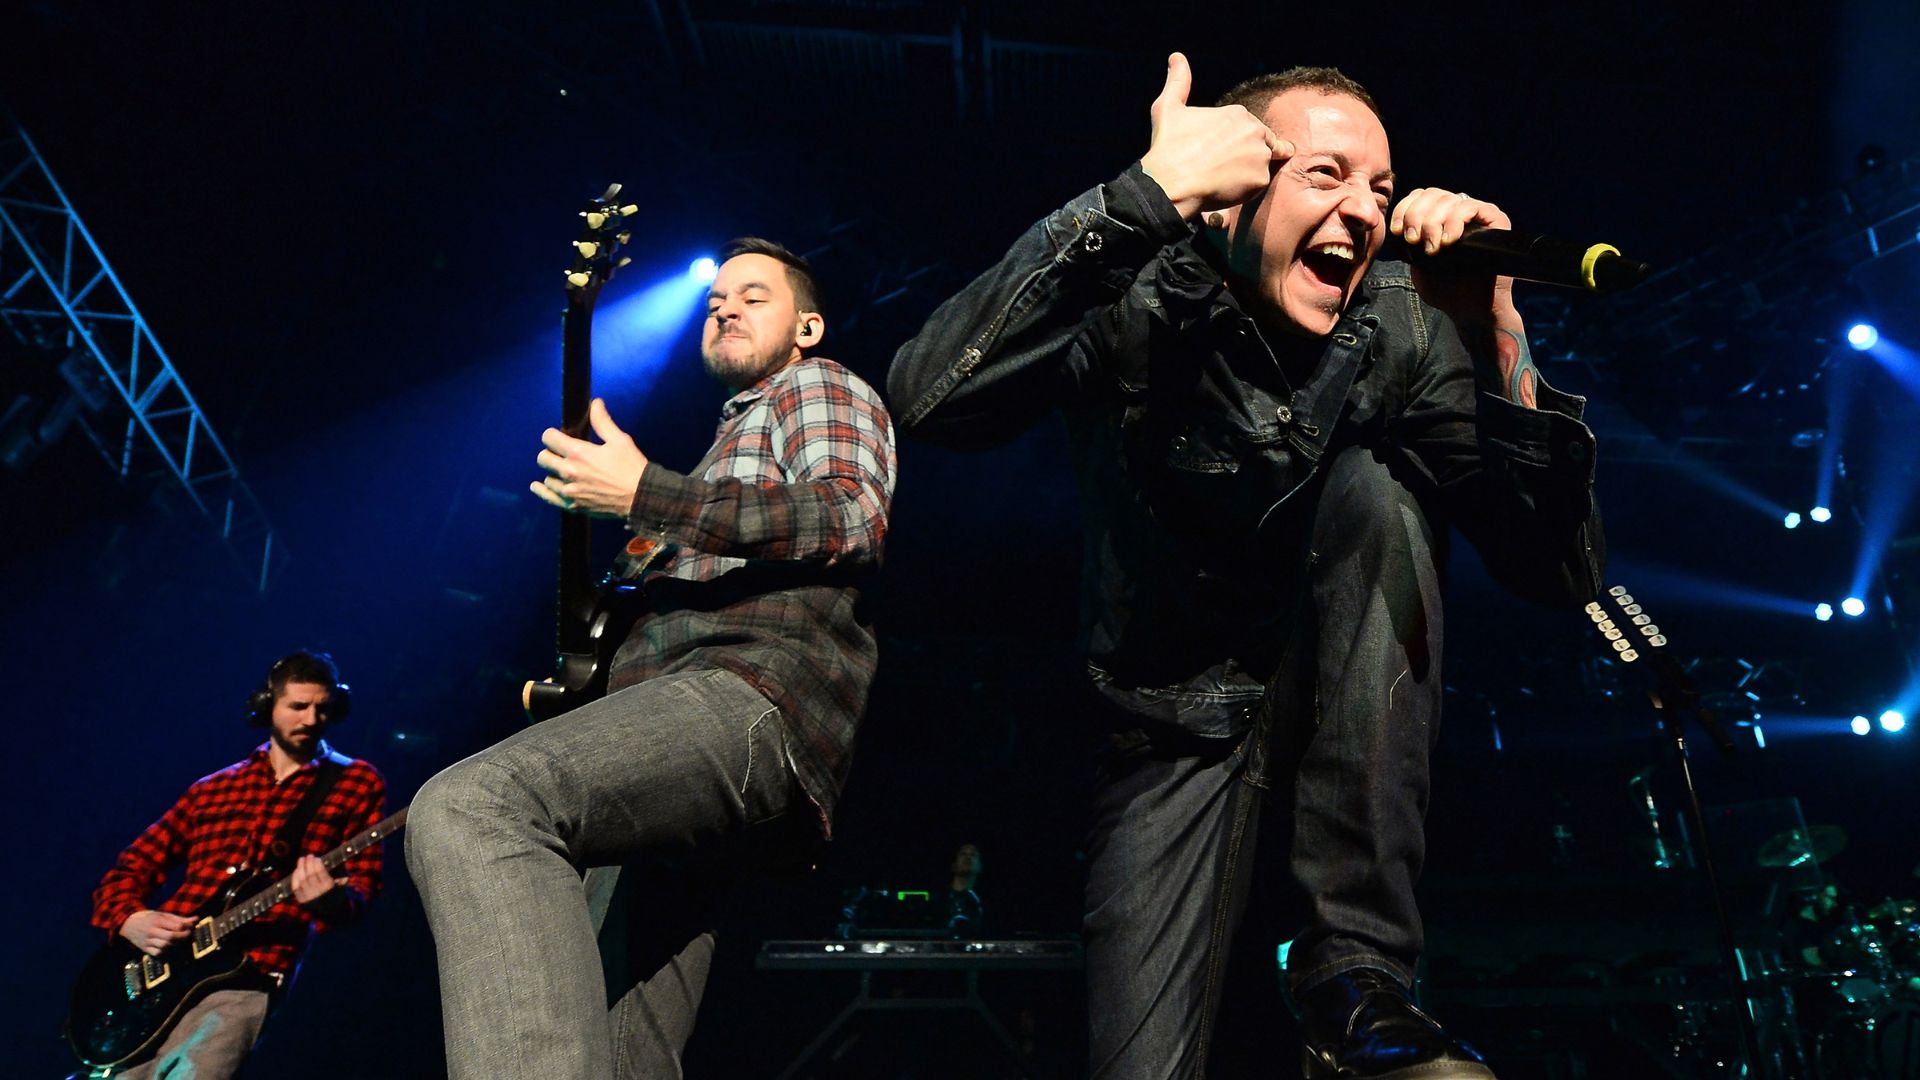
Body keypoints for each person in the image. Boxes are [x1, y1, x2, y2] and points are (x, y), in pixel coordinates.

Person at [888, 53, 1603, 1079]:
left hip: (1337, 702)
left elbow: (1560, 572)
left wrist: (1488, 326)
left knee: (1377, 491)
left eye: (1382, 190)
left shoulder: (1400, 319)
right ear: (1231, 196)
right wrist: (1144, 197)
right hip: (1167, 723)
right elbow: (927, 399)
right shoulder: (1136, 289)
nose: (1363, 212)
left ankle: (1355, 968)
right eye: (1326, 175)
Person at [407, 236, 897, 1078]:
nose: (725, 308)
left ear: (808, 327)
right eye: (715, 302)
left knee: (475, 806)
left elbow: (849, 515)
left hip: (746, 696)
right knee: (619, 1028)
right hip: (678, 745)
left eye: (753, 296)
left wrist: (646, 494)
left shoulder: (815, 386)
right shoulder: (722, 453)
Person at [87, 649, 386, 1080]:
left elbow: (362, 890)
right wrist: (130, 918)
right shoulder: (212, 789)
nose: (310, 719)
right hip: (163, 974)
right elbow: (129, 868)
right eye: (298, 706)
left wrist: (330, 900)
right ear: (268, 706)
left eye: (322, 708)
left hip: (252, 972)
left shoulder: (357, 782)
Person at [945, 841, 985, 936]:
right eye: (963, 854)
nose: (968, 857)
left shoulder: (982, 902)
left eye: (973, 855)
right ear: (954, 865)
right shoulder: (940, 898)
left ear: (980, 866)